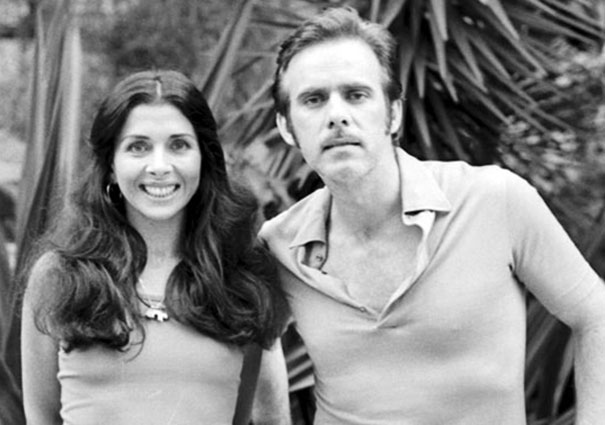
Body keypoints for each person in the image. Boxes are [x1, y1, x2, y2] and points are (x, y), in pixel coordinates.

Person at [259, 7, 605, 425]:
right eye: (313, 100)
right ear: (287, 127)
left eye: (356, 95)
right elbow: (252, 343)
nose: (336, 115)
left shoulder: (495, 200)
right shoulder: (278, 245)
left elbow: (594, 313)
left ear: (393, 114)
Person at [21, 70, 291, 425]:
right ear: (111, 166)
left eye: (179, 145)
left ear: (204, 158)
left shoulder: (241, 279)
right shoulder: (59, 276)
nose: (159, 166)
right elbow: (40, 417)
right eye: (138, 146)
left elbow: (244, 417)